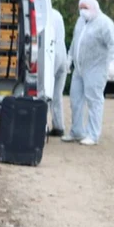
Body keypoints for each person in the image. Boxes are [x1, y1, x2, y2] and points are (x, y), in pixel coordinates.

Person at [61, 0, 114, 146]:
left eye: (85, 8)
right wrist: (69, 59)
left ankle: (93, 134)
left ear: (93, 7)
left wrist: (112, 63)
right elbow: (75, 42)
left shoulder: (104, 23)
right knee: (75, 99)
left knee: (94, 101)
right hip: (79, 69)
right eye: (80, 8)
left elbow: (113, 45)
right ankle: (77, 131)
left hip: (96, 68)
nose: (82, 11)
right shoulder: (81, 21)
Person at [48, 8, 67, 137]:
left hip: (51, 56)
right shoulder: (57, 14)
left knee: (44, 93)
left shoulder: (43, 14)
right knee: (57, 95)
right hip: (62, 55)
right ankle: (59, 126)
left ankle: (42, 126)